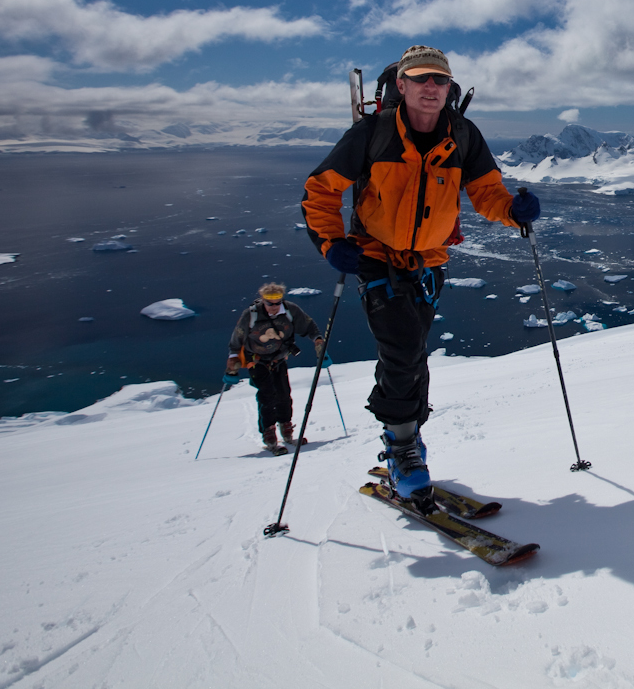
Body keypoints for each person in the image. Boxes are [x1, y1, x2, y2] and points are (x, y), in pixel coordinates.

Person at [301, 45, 541, 512]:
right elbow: (321, 190)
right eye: (422, 79)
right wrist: (332, 244)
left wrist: (513, 211)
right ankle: (405, 450)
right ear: (403, 86)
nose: (432, 87)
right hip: (375, 257)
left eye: (440, 80)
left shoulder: (463, 135)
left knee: (411, 355)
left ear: (449, 89)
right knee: (403, 351)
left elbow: (486, 192)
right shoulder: (373, 134)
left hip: (430, 261)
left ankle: (405, 438)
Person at [227, 282, 324, 453]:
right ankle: (269, 433)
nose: (273, 306)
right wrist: (233, 359)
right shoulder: (251, 315)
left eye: (277, 302)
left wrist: (317, 340)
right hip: (256, 361)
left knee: (284, 394)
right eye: (269, 302)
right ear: (263, 301)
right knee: (267, 395)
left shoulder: (290, 311)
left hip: (279, 359)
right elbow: (238, 337)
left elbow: (308, 326)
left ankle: (286, 430)